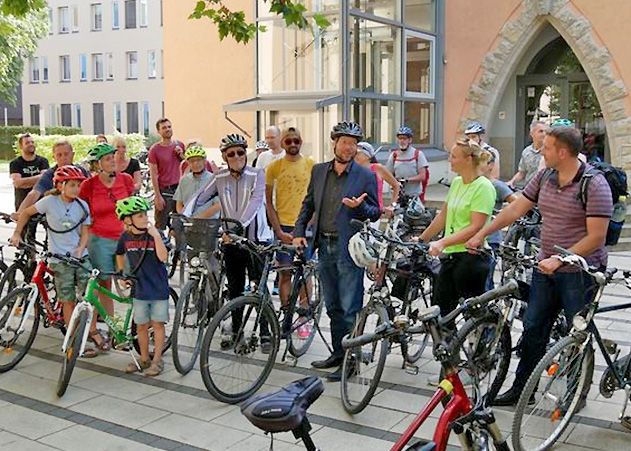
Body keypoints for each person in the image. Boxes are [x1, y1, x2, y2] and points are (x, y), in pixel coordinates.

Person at [467, 126, 612, 406]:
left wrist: (561, 258)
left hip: (580, 274)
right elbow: (514, 209)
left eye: (546, 147)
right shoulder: (545, 176)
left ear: (562, 151)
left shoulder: (594, 184)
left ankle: (574, 393)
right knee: (533, 328)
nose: (540, 151)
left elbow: (596, 236)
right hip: (546, 269)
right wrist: (481, 233)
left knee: (577, 332)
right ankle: (522, 390)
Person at [293, 121, 380, 381]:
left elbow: (375, 213)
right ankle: (337, 354)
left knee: (350, 305)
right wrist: (299, 233)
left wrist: (359, 207)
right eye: (345, 142)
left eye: (353, 144)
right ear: (335, 143)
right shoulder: (319, 171)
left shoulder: (365, 175)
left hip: (349, 248)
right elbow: (307, 205)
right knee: (332, 306)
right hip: (324, 244)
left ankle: (351, 361)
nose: (349, 148)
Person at [185, 134, 273, 351]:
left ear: (245, 153)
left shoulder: (257, 174)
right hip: (230, 242)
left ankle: (265, 332)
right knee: (234, 289)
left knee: (257, 287)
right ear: (224, 156)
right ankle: (236, 330)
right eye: (231, 153)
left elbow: (254, 203)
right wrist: (184, 217)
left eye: (240, 152)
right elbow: (200, 196)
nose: (236, 157)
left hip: (255, 240)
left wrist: (236, 228)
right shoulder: (220, 176)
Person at [9, 166, 104, 356]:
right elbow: (27, 212)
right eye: (72, 185)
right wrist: (17, 234)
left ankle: (91, 331)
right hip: (59, 259)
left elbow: (86, 231)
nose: (76, 189)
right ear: (61, 186)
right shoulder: (49, 202)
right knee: (67, 299)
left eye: (78, 185)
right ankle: (73, 340)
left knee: (90, 296)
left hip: (79, 257)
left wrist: (80, 248)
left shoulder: (82, 206)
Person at [419, 139, 495, 325]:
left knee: (473, 317)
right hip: (451, 256)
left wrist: (443, 242)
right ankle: (448, 349)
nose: (449, 160)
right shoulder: (457, 183)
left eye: (453, 156)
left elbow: (475, 227)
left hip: (471, 257)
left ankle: (481, 346)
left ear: (469, 159)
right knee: (441, 312)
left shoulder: (484, 187)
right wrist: (423, 238)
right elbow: (444, 215)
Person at [265, 127, 314, 334]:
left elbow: (316, 199)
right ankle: (286, 315)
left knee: (305, 273)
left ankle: (304, 317)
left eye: (296, 141)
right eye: (288, 141)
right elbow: (268, 202)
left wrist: (309, 224)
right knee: (284, 273)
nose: (292, 144)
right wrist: (278, 230)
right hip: (283, 226)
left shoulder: (311, 165)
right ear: (283, 143)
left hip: (305, 227)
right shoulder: (274, 167)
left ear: (300, 141)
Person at [79, 143, 135, 323]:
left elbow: (133, 207)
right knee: (104, 284)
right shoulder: (89, 185)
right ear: (97, 165)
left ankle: (137, 324)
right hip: (100, 240)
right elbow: (80, 209)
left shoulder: (125, 179)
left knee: (134, 279)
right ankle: (112, 325)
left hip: (125, 239)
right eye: (107, 159)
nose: (113, 161)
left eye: (113, 157)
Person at [115, 196, 169, 376]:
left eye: (145, 214)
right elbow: (120, 254)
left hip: (158, 288)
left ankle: (157, 359)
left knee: (158, 325)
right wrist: (123, 273)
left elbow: (163, 257)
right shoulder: (125, 237)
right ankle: (144, 358)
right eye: (139, 216)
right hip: (140, 289)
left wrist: (156, 236)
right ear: (127, 220)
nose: (145, 218)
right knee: (141, 326)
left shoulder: (154, 235)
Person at [13, 140, 89, 220]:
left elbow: (92, 191)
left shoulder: (81, 171)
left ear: (73, 154)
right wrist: (19, 213)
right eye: (59, 155)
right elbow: (34, 193)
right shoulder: (49, 174)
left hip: (80, 213)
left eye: (66, 154)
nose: (63, 158)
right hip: (57, 216)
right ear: (54, 157)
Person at [482, 152, 517, 290]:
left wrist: (502, 217)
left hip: (490, 239)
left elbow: (517, 204)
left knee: (486, 280)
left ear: (491, 165)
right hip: (473, 238)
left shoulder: (496, 185)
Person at [148, 118, 185, 230]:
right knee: (160, 225)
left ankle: (180, 247)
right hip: (165, 191)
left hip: (180, 190)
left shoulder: (180, 145)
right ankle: (161, 246)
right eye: (164, 128)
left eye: (169, 127)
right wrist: (158, 196)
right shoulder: (155, 150)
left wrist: (182, 155)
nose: (167, 129)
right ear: (159, 131)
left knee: (180, 225)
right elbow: (153, 174)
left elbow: (188, 166)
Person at [174, 145, 220, 218]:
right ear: (188, 163)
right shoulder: (184, 180)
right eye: (192, 161)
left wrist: (200, 217)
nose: (195, 163)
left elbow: (218, 205)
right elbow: (179, 203)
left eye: (198, 160)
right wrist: (183, 215)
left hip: (209, 222)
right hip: (189, 222)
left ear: (204, 161)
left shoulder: (214, 180)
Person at [386, 126, 429, 203]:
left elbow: (423, 176)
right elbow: (388, 175)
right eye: (400, 138)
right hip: (398, 196)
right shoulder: (394, 155)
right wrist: (394, 182)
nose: (402, 141)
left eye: (404, 138)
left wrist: (406, 180)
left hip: (414, 196)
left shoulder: (418, 154)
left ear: (410, 140)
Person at [355, 141, 400, 213]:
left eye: (358, 153)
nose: (355, 156)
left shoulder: (378, 168)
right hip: (356, 211)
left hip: (375, 212)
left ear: (368, 156)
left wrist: (393, 205)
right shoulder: (352, 169)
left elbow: (396, 185)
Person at [10, 133, 49, 212]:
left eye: (32, 142)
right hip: (22, 204)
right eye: (27, 143)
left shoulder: (43, 161)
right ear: (21, 146)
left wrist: (24, 182)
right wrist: (39, 180)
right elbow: (18, 183)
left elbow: (45, 179)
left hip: (41, 203)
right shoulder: (15, 163)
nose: (31, 144)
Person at [508, 121, 546, 189]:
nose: (544, 134)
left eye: (546, 131)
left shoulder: (550, 151)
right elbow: (522, 172)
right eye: (541, 131)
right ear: (532, 133)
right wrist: (512, 182)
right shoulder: (526, 151)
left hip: (544, 190)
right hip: (529, 190)